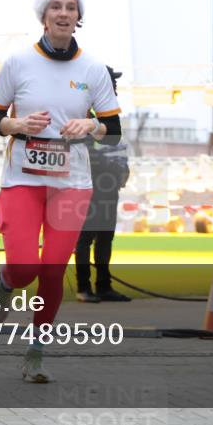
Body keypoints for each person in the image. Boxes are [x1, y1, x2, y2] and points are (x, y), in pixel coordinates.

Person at [0, 0, 122, 383]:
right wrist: (16, 123)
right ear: (43, 16)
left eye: (71, 8)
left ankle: (35, 352)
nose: (63, 13)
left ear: (79, 19)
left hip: (73, 181)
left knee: (53, 269)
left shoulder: (93, 68)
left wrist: (90, 125)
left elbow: (113, 128)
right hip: (22, 178)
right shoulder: (18, 63)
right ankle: (6, 283)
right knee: (25, 266)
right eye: (55, 7)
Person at [75, 66, 132, 303]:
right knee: (85, 237)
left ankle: (103, 286)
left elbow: (119, 147)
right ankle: (83, 287)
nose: (115, 87)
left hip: (109, 185)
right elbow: (82, 150)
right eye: (111, 82)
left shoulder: (110, 112)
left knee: (105, 236)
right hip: (89, 183)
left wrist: (122, 171)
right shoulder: (83, 112)